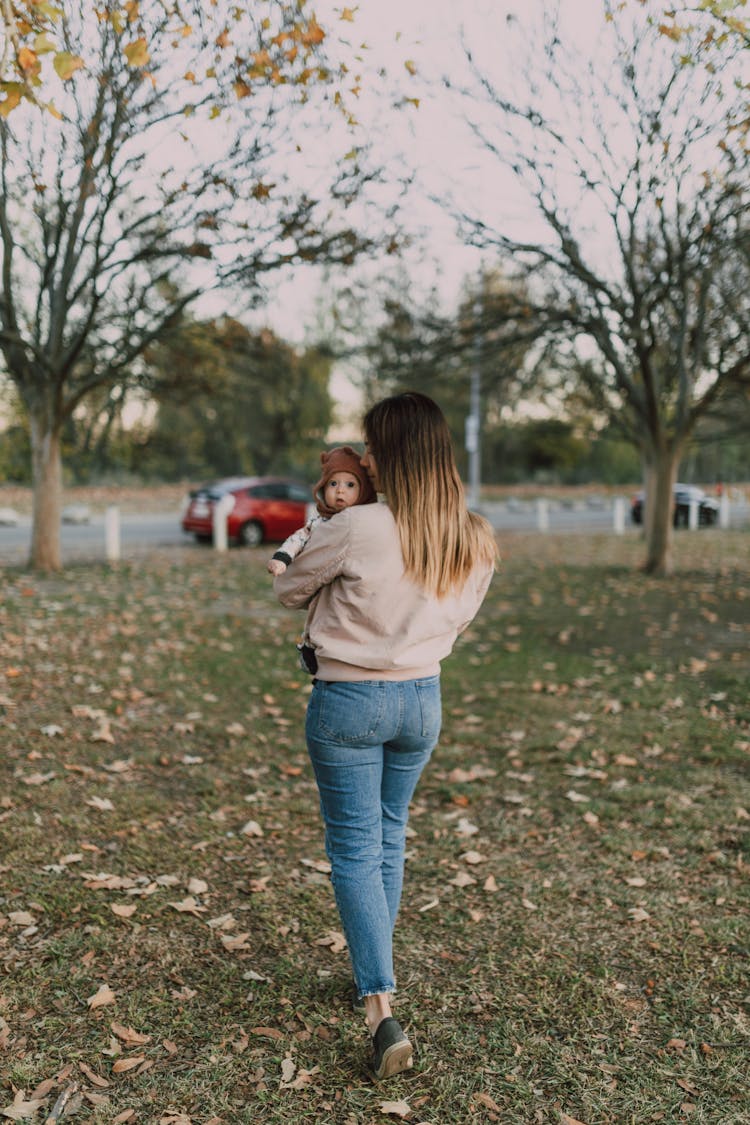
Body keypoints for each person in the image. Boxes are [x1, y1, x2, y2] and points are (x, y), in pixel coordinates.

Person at [273, 392, 497, 1080]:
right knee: (389, 833)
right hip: (422, 699)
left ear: (393, 453)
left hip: (348, 701)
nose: (363, 458)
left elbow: (289, 591)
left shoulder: (359, 524)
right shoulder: (474, 534)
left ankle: (380, 1005)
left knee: (353, 845)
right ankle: (377, 968)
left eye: (372, 446)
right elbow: (456, 621)